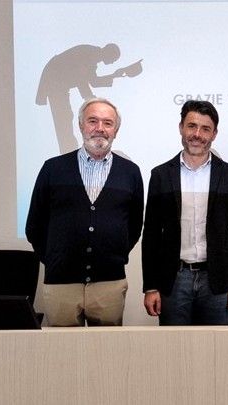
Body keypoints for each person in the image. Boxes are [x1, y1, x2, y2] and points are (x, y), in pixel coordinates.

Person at [26, 97, 144, 326]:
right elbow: (35, 225)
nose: (100, 128)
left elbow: (134, 226)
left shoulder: (130, 172)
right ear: (81, 125)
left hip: (109, 283)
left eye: (108, 123)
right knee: (62, 347)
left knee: (107, 347)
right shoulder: (52, 168)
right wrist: (54, 259)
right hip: (61, 284)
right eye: (93, 121)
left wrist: (114, 255)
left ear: (116, 130)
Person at [141, 100, 228, 325]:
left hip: (217, 281)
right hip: (174, 280)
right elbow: (151, 235)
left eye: (205, 128)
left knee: (216, 345)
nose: (197, 134)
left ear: (214, 134)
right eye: (191, 126)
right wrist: (150, 286)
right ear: (181, 127)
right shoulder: (161, 175)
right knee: (175, 344)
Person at [36, 43, 142, 154]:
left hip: (59, 85)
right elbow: (81, 80)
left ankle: (68, 150)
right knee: (64, 117)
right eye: (113, 59)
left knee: (65, 116)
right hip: (54, 82)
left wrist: (115, 75)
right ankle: (67, 152)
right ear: (108, 52)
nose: (112, 62)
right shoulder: (89, 54)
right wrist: (91, 100)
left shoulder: (93, 58)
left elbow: (93, 82)